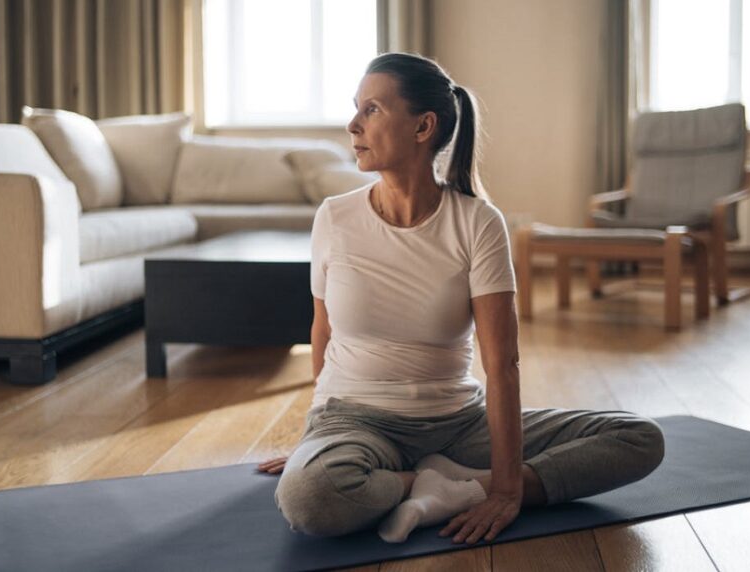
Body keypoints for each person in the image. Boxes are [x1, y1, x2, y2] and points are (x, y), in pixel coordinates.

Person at [257, 53, 665, 545]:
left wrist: (508, 492)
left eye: (372, 111)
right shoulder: (335, 217)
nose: (352, 125)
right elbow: (321, 329)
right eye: (356, 110)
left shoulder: (477, 222)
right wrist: (315, 440)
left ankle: (449, 483)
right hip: (354, 418)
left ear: (422, 126)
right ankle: (437, 487)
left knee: (640, 440)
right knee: (311, 497)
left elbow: (503, 364)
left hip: (457, 425)